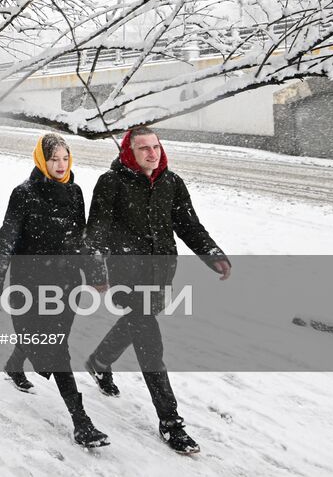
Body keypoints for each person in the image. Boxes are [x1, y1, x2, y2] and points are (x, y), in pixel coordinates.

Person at [84, 125, 232, 455]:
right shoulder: (111, 183)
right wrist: (95, 271)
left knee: (139, 322)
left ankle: (99, 361)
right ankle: (171, 421)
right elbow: (95, 231)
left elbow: (189, 224)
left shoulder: (171, 182)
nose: (153, 153)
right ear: (129, 153)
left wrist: (212, 254)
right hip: (126, 272)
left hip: (161, 271)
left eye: (156, 146)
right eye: (144, 149)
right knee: (150, 342)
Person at [0, 133, 109, 449]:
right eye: (54, 159)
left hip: (67, 284)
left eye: (65, 158)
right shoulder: (24, 194)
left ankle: (14, 365)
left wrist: (95, 271)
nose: (60, 164)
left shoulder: (76, 192)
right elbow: (8, 236)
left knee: (47, 339)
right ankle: (81, 421)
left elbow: (81, 238)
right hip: (30, 283)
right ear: (41, 159)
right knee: (56, 346)